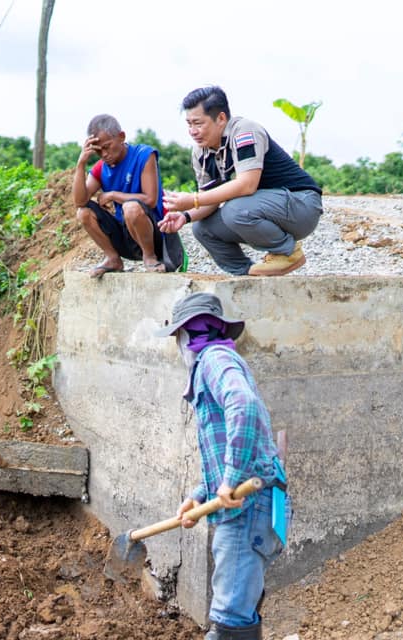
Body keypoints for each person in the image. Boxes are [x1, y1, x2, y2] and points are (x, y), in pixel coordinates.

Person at [157, 292, 288, 640]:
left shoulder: (213, 360)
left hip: (247, 504)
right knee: (240, 611)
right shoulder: (220, 360)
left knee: (230, 619)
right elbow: (225, 444)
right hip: (250, 501)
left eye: (178, 338)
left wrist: (229, 481)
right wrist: (200, 494)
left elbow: (243, 407)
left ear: (186, 335)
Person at [159, 86, 323, 276]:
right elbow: (208, 201)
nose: (193, 131)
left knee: (234, 209)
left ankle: (288, 252)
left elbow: (247, 184)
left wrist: (193, 199)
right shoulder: (200, 153)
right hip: (264, 208)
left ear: (221, 119)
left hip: (302, 205)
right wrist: (185, 216)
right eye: (189, 124)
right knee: (202, 228)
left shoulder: (244, 131)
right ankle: (246, 273)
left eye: (198, 123)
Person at [72, 114, 185, 278]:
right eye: (98, 151)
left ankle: (150, 257)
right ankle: (113, 259)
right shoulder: (100, 168)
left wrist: (113, 195)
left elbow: (151, 199)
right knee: (83, 212)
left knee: (130, 207)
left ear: (121, 137)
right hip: (126, 236)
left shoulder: (144, 155)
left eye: (107, 146)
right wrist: (81, 164)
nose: (104, 154)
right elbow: (79, 201)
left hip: (155, 234)